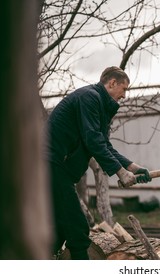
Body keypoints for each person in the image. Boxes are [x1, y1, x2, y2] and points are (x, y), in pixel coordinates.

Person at [46, 66, 152, 260]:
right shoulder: (89, 97)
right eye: (124, 89)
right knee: (78, 227)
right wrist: (120, 172)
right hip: (51, 166)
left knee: (61, 226)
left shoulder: (100, 106)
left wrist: (132, 167)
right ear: (112, 83)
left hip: (60, 170)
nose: (124, 95)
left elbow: (104, 145)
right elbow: (93, 140)